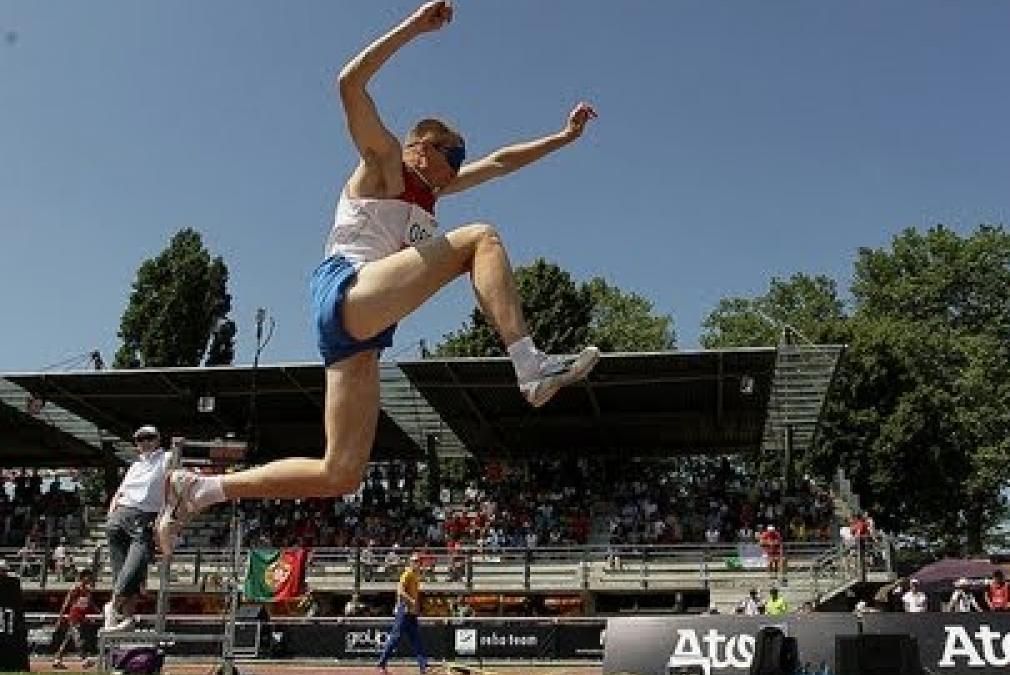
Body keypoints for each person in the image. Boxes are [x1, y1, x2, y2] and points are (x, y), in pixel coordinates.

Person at [154, 0, 600, 556]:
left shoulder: (434, 189)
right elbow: (349, 83)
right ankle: (528, 364)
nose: (456, 169)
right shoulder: (385, 160)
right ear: (420, 146)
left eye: (460, 162)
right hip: (346, 288)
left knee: (340, 471)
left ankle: (202, 489)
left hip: (360, 328)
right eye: (450, 156)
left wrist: (564, 137)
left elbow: (504, 161)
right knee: (480, 237)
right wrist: (415, 26)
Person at [103, 425, 169, 633]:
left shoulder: (165, 458)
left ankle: (113, 606)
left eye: (150, 438)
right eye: (140, 439)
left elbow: (177, 462)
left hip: (144, 517)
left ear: (158, 439)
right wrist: (112, 510)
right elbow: (120, 491)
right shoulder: (135, 466)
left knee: (134, 567)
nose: (145, 442)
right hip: (121, 516)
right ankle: (127, 616)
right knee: (121, 570)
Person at [378, 553, 428, 674]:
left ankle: (423, 665)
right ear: (410, 562)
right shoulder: (407, 574)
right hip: (404, 610)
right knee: (395, 638)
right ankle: (382, 663)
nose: (417, 563)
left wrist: (415, 607)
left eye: (418, 561)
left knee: (416, 639)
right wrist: (409, 601)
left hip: (411, 612)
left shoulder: (415, 575)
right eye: (414, 561)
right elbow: (400, 591)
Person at [51, 568, 97, 670]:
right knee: (78, 638)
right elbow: (66, 604)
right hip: (74, 617)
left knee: (68, 640)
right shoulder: (75, 589)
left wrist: (98, 613)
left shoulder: (88, 591)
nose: (90, 578)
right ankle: (85, 660)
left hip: (82, 618)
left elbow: (91, 604)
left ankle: (57, 660)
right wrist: (60, 618)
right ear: (83, 577)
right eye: (88, 576)